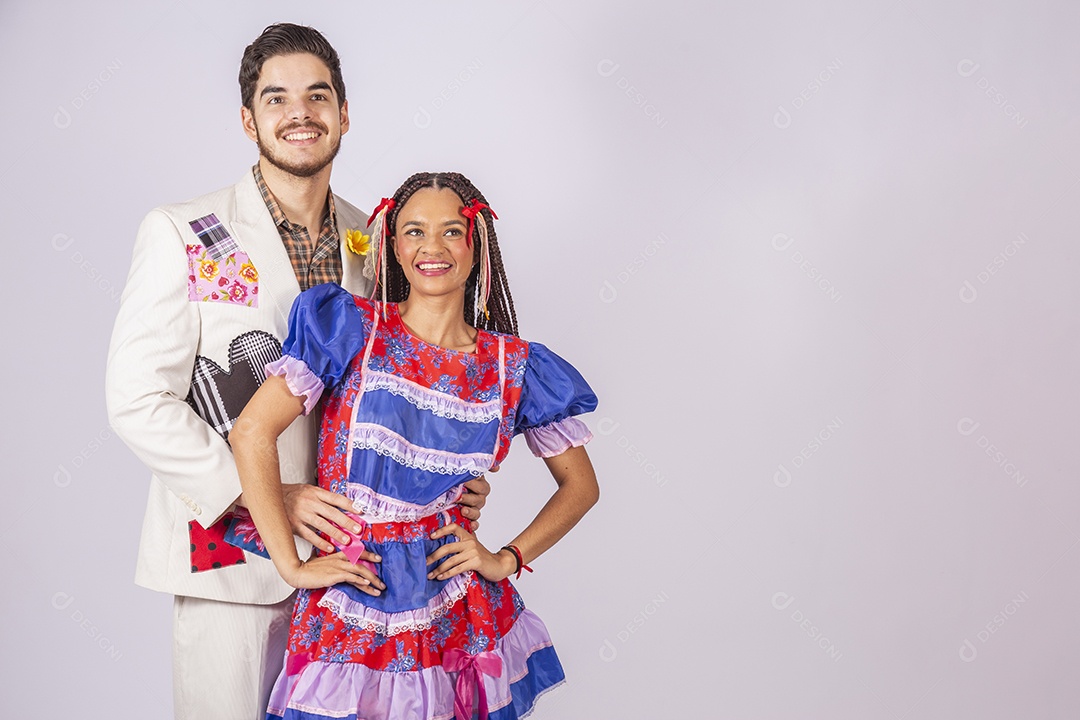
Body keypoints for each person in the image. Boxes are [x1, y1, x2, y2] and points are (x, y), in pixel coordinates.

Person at [105, 25, 489, 720]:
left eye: (317, 95)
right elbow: (137, 400)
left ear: (344, 114)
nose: (299, 112)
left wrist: (444, 474)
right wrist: (268, 496)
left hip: (359, 568)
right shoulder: (184, 232)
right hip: (230, 563)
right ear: (248, 120)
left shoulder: (379, 242)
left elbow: (407, 380)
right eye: (276, 98)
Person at [231, 171, 600, 720]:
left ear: (477, 245)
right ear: (393, 245)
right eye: (414, 231)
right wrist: (292, 565)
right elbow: (251, 432)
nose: (432, 247)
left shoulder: (513, 366)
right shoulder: (351, 328)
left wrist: (504, 559)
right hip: (355, 584)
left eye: (451, 231)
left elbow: (581, 487)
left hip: (455, 603)